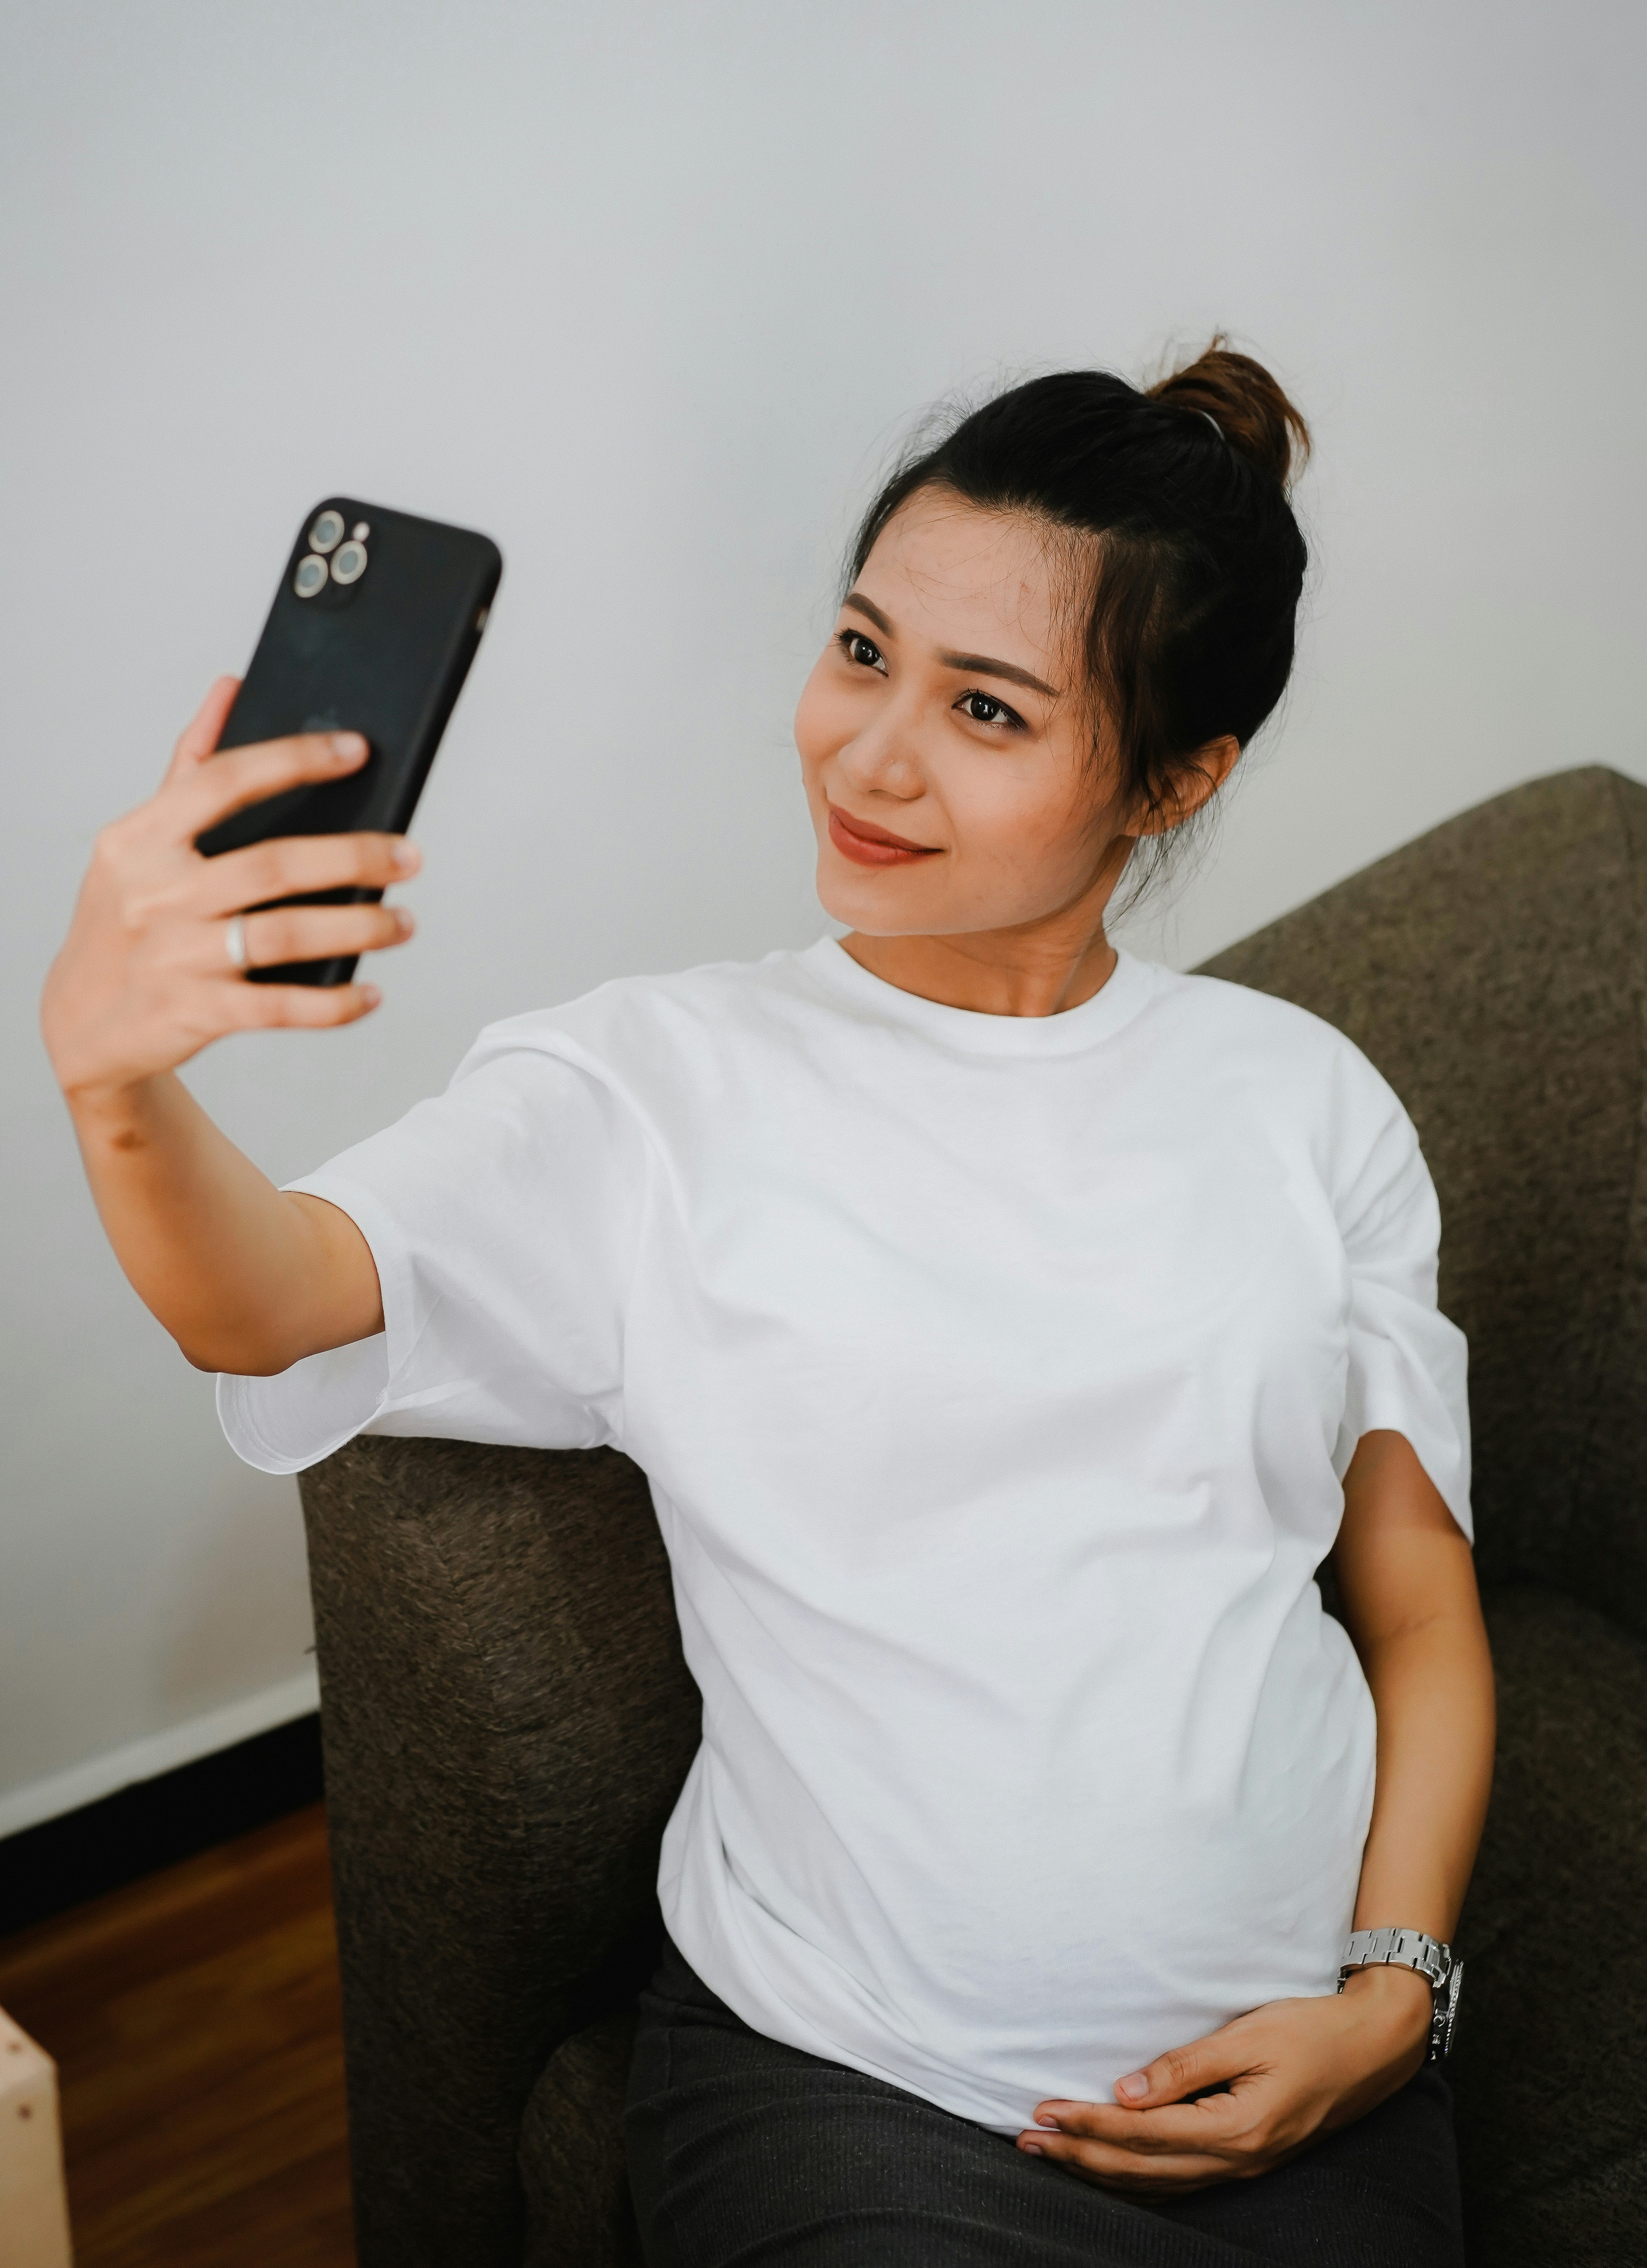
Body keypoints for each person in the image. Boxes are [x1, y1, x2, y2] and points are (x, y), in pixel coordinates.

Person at [43, 342, 1495, 2267]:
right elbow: (273, 1297)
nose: (870, 751)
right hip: (862, 2088)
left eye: (986, 706)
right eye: (861, 648)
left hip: (1309, 2085)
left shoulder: (1306, 1100)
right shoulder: (655, 1090)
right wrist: (115, 1087)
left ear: (1176, 777)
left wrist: (1390, 1999)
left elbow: (1415, 1609)